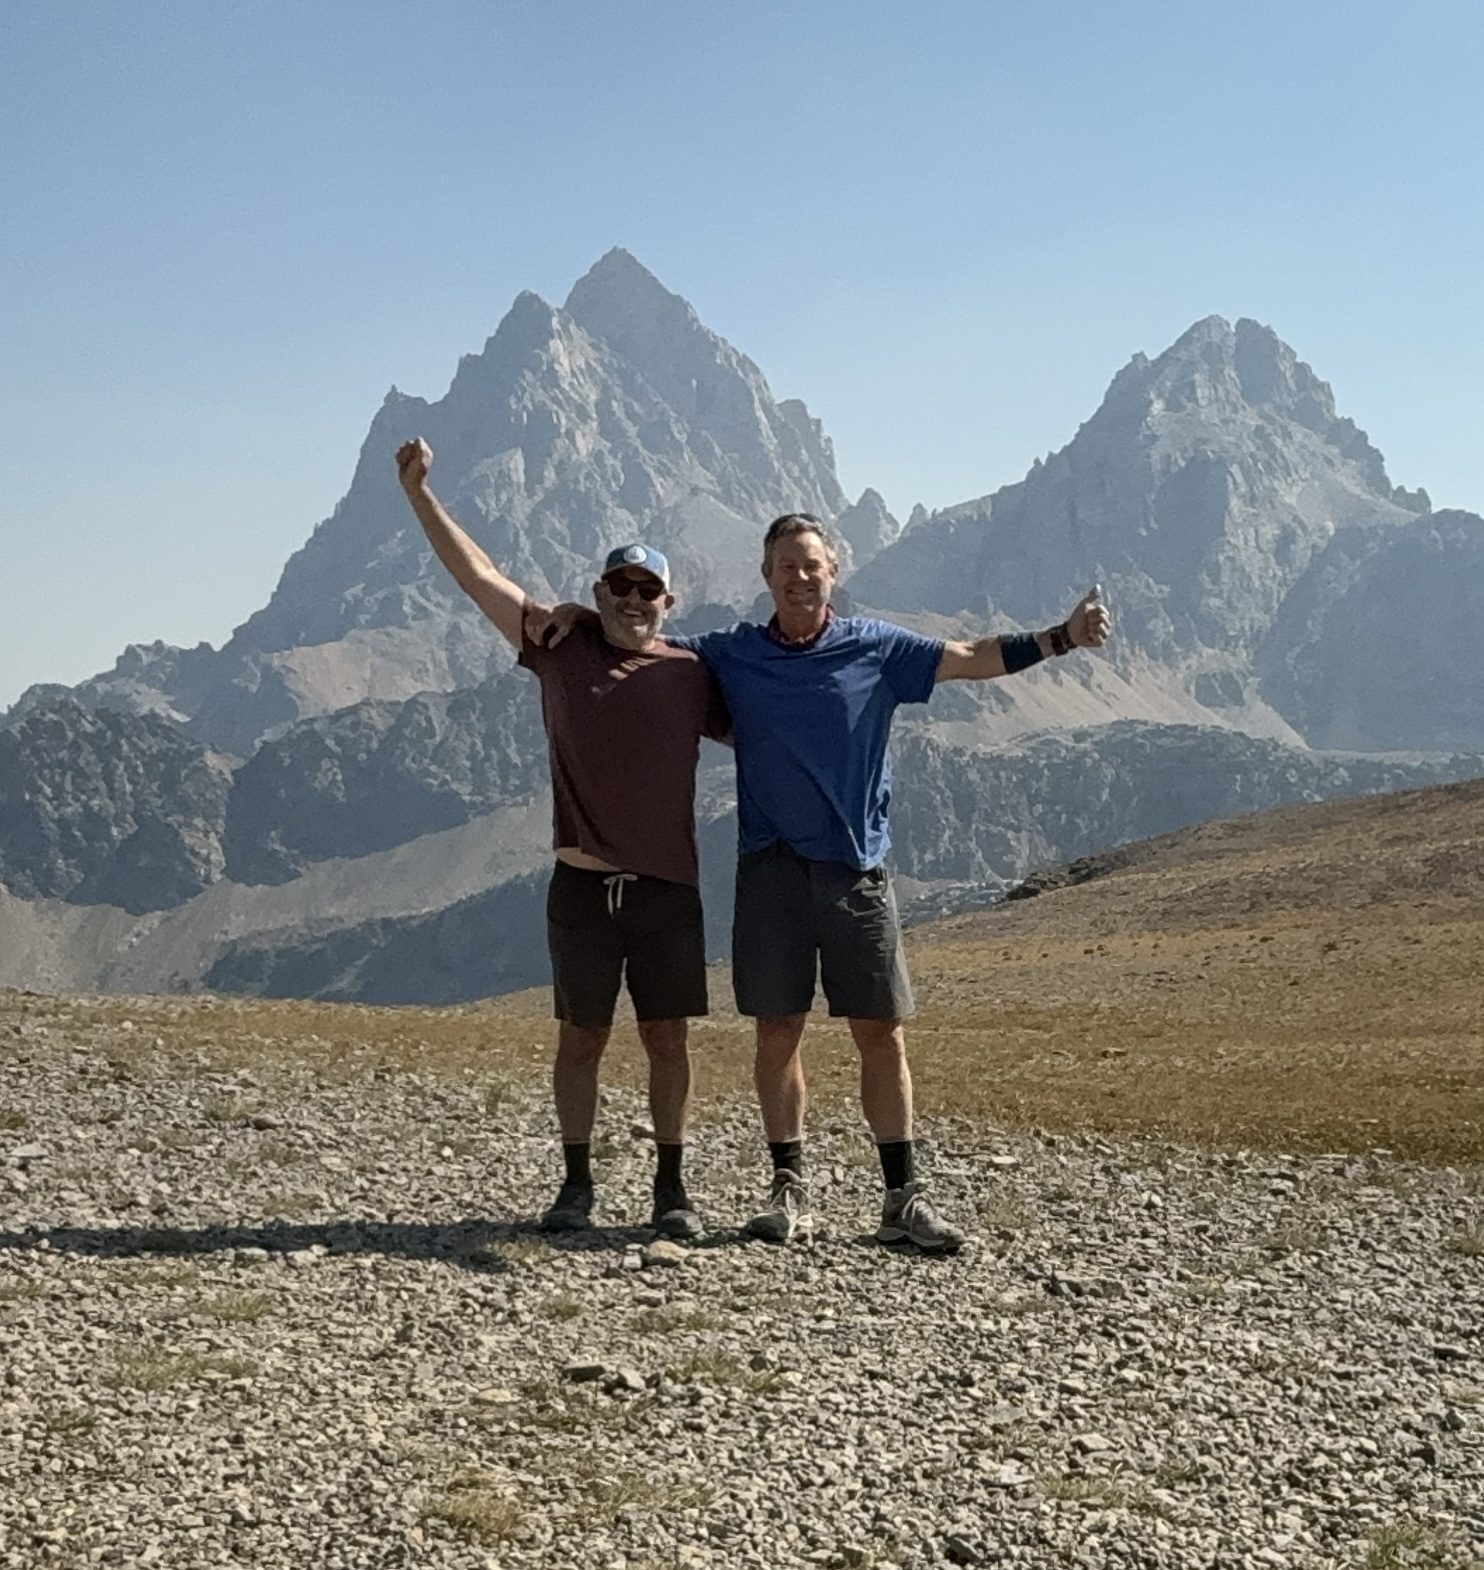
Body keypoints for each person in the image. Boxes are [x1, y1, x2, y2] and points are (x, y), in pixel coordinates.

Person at [551, 512, 1112, 1250]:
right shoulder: (731, 654)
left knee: (881, 1032)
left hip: (856, 873)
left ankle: (902, 1198)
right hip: (771, 873)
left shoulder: (876, 648)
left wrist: (1062, 637)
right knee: (777, 1032)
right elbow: (642, 644)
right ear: (766, 577)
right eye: (785, 566)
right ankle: (789, 1193)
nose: (798, 577)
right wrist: (581, 619)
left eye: (810, 565)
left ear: (832, 572)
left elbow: (970, 655)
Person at [395, 438, 729, 1239]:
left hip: (667, 889)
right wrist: (419, 496)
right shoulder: (558, 647)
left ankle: (670, 1189)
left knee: (666, 1038)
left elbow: (784, 708)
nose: (633, 598)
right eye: (620, 585)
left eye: (649, 588)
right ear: (598, 590)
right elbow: (478, 576)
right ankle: (576, 1185)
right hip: (580, 887)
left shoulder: (692, 673)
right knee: (582, 1037)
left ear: (669, 602)